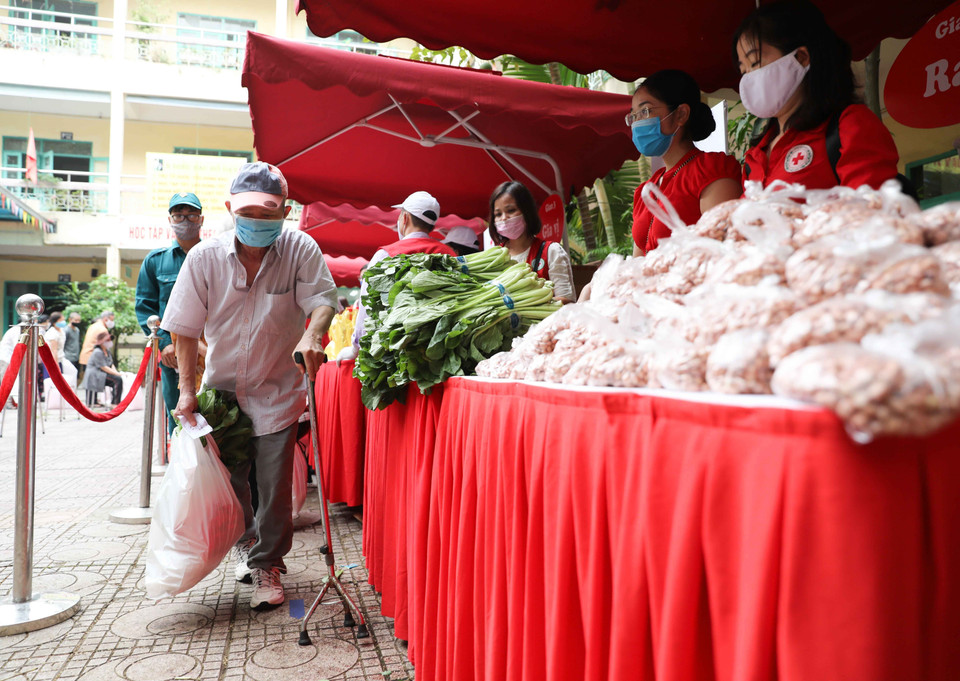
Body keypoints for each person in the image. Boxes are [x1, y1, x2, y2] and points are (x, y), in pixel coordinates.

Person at [161, 162, 338, 611]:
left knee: (274, 484)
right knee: (232, 484)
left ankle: (268, 563)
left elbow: (322, 300)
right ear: (229, 209)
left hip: (277, 388)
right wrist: (185, 390)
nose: (258, 222)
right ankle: (246, 543)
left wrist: (312, 334)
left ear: (286, 211)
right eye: (249, 213)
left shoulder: (301, 249)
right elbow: (183, 327)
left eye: (268, 213)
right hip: (222, 391)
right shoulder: (204, 258)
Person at [734, 0, 899, 190]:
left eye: (754, 62)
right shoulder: (754, 157)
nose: (748, 78)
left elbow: (872, 210)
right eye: (743, 70)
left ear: (801, 58)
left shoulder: (849, 127)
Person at [628, 70, 743, 255]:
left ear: (681, 114)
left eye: (645, 111)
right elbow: (637, 262)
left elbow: (721, 250)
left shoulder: (711, 169)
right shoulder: (647, 190)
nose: (636, 123)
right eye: (633, 116)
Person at [340, 191, 457, 361]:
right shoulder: (450, 256)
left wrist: (355, 349)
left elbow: (366, 310)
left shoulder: (386, 255)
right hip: (440, 354)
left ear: (405, 218)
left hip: (393, 357)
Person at [136, 191, 206, 436]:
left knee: (217, 410)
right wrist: (165, 343)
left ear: (201, 219)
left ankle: (213, 469)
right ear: (170, 220)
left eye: (191, 215)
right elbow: (145, 307)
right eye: (178, 215)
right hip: (173, 355)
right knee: (178, 413)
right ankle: (179, 462)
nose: (185, 220)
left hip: (214, 352)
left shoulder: (215, 256)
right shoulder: (156, 261)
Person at [488, 181, 577, 302]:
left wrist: (523, 305)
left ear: (527, 211)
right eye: (498, 214)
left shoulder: (551, 252)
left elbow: (567, 300)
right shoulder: (493, 257)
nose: (503, 218)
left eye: (511, 210)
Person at [79, 331, 122, 408]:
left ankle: (115, 401)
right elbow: (103, 367)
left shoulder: (107, 351)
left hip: (101, 374)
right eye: (107, 340)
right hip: (95, 375)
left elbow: (111, 364)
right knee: (117, 380)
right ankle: (115, 403)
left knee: (118, 379)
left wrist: (116, 372)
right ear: (101, 342)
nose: (110, 342)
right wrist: (116, 374)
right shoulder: (97, 352)